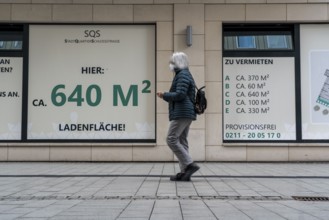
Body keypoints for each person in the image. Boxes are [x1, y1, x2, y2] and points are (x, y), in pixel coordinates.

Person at [157, 52, 200, 181]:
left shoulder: (182, 75)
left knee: (171, 138)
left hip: (182, 112)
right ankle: (185, 172)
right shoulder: (184, 74)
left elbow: (180, 94)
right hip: (186, 112)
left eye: (172, 62)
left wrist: (164, 95)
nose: (170, 64)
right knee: (182, 141)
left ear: (178, 62)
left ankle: (189, 164)